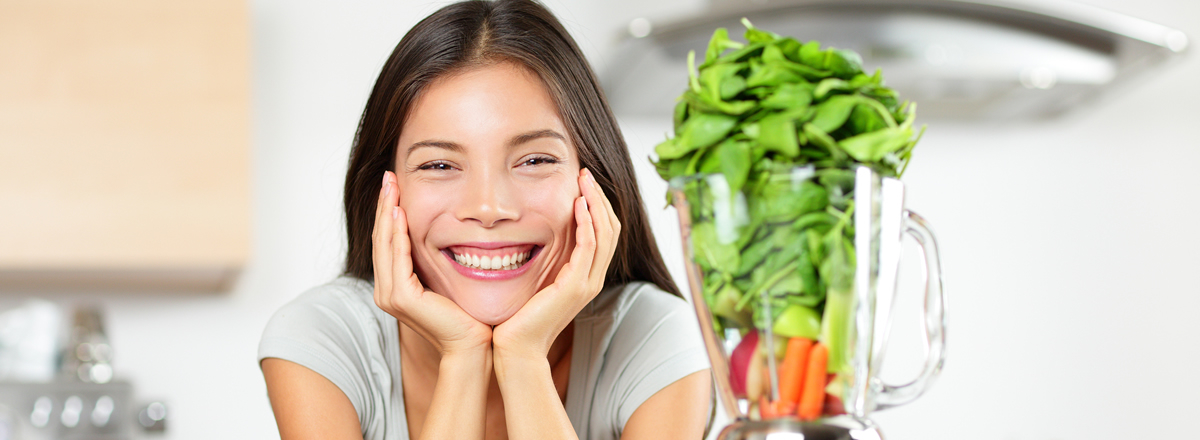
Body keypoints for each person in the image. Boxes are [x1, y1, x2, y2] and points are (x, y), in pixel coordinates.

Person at [258, 1, 713, 439]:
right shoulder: (322, 342)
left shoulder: (658, 340)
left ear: (593, 178)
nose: (490, 207)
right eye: (439, 165)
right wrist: (463, 357)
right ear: (384, 192)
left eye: (535, 159)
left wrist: (523, 358)